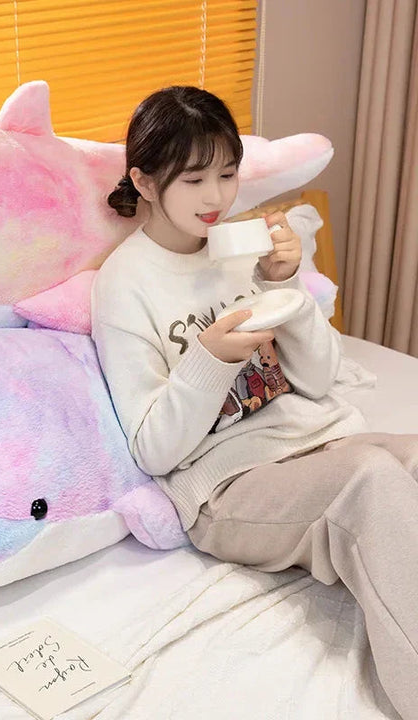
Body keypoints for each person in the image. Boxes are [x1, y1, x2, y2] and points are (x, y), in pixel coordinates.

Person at [91, 85, 418, 720]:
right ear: (145, 182)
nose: (216, 197)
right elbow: (154, 450)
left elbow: (319, 379)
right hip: (229, 485)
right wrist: (209, 361)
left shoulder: (239, 248)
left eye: (227, 174)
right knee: (372, 481)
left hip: (319, 439)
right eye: (194, 180)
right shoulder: (124, 284)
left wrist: (284, 285)